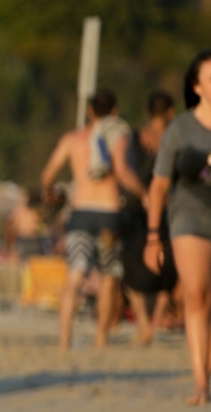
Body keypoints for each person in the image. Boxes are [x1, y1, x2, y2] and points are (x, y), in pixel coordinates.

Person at [144, 51, 211, 404]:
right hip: (189, 218)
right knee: (197, 294)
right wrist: (153, 237)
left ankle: (205, 372)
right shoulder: (180, 129)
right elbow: (159, 186)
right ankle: (200, 384)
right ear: (197, 87)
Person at [40, 89, 142, 350]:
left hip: (81, 212)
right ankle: (101, 338)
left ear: (89, 111)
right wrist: (145, 194)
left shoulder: (72, 139)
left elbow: (47, 175)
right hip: (110, 213)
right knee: (109, 276)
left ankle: (65, 339)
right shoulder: (117, 137)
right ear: (115, 112)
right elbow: (122, 171)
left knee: (75, 275)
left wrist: (50, 195)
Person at [124, 90, 180, 345]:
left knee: (133, 269)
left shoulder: (135, 137)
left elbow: (122, 169)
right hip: (168, 210)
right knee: (168, 272)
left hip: (138, 209)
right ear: (170, 112)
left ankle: (145, 324)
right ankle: (155, 323)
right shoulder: (176, 138)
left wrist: (142, 194)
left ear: (148, 111)